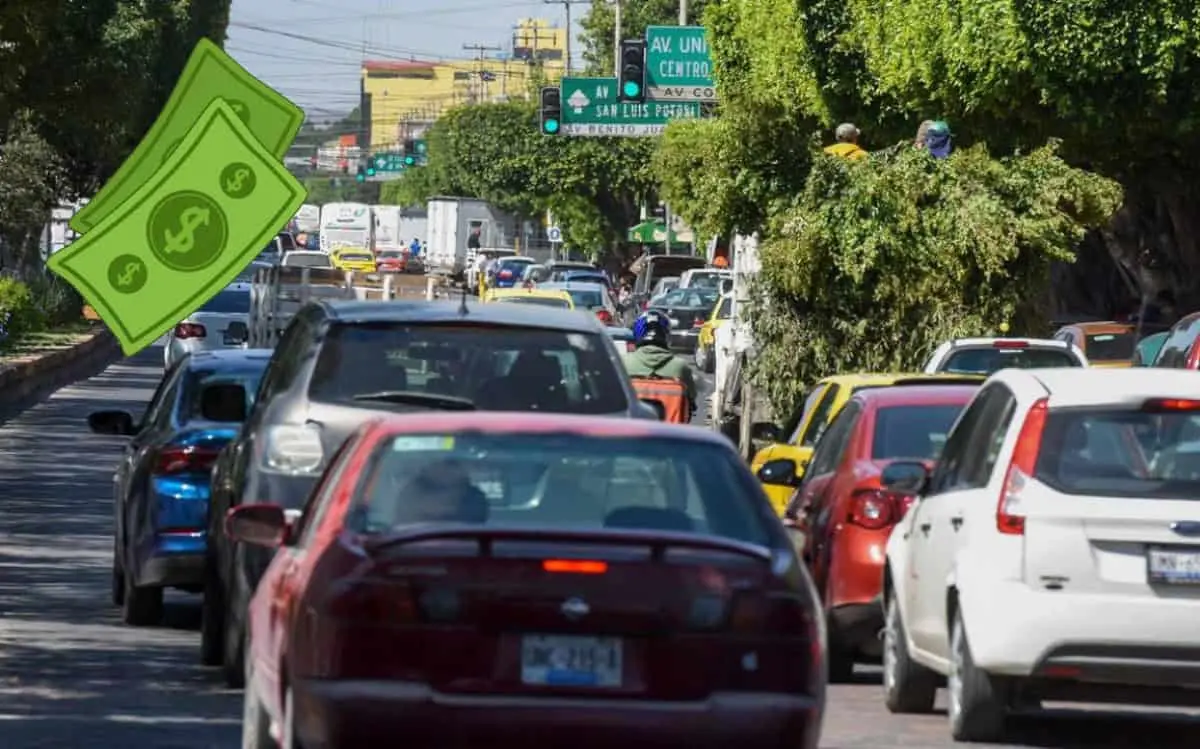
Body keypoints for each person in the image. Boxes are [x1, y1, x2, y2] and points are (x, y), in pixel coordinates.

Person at [624, 310, 696, 421]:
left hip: (630, 432)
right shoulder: (680, 367)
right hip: (670, 434)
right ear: (666, 335)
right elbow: (692, 399)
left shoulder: (624, 362)